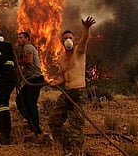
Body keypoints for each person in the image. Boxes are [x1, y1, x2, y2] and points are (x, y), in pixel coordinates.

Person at [47, 16, 96, 155]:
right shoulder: (61, 58)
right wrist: (55, 82)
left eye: (70, 37)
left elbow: (85, 40)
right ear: (61, 41)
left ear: (74, 40)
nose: (68, 39)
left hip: (79, 92)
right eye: (65, 38)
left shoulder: (79, 52)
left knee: (76, 126)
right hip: (67, 93)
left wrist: (86, 28)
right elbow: (61, 77)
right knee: (54, 121)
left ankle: (77, 152)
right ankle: (67, 146)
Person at [15, 31, 45, 137]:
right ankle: (32, 124)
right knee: (22, 101)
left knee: (29, 103)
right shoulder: (26, 48)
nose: (19, 39)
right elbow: (26, 68)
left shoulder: (27, 46)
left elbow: (28, 61)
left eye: (21, 37)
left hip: (35, 79)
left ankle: (36, 127)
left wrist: (15, 62)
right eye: (18, 38)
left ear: (27, 39)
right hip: (32, 79)